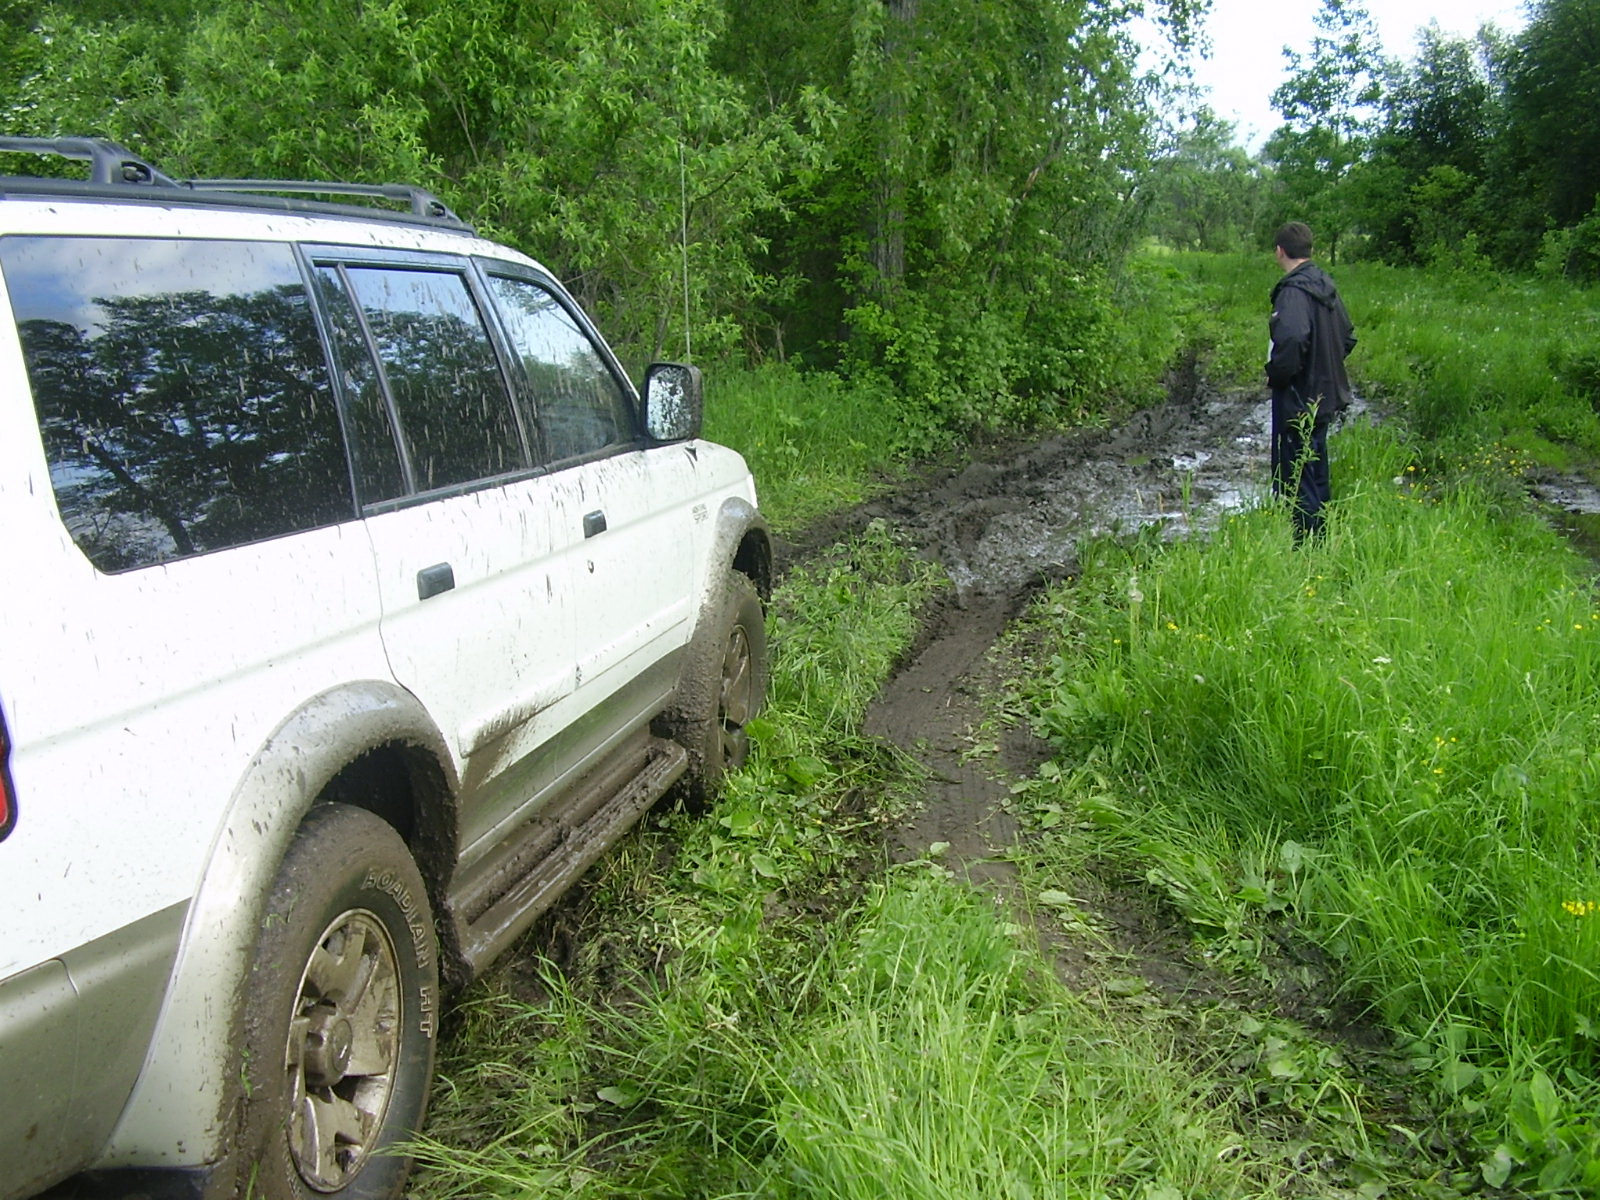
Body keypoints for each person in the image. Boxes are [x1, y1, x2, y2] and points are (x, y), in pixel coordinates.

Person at [1266, 221, 1356, 542]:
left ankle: (1306, 546)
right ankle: (1321, 539)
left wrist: (1277, 374)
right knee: (1315, 469)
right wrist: (1324, 364)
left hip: (1297, 395)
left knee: (1296, 474)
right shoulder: (1324, 285)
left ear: (1280, 251)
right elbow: (1346, 337)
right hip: (1324, 393)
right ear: (1310, 250)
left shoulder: (1293, 292)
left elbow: (1291, 340)